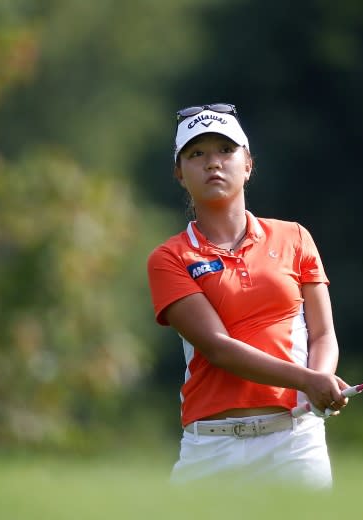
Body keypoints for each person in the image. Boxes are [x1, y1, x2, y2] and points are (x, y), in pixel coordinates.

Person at [146, 102, 350, 489]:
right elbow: (218, 347)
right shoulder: (170, 258)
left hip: (294, 443)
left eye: (225, 150)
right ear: (179, 173)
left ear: (248, 164)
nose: (213, 163)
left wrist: (320, 381)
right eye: (196, 154)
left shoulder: (295, 237)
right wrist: (308, 380)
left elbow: (323, 334)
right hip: (212, 447)